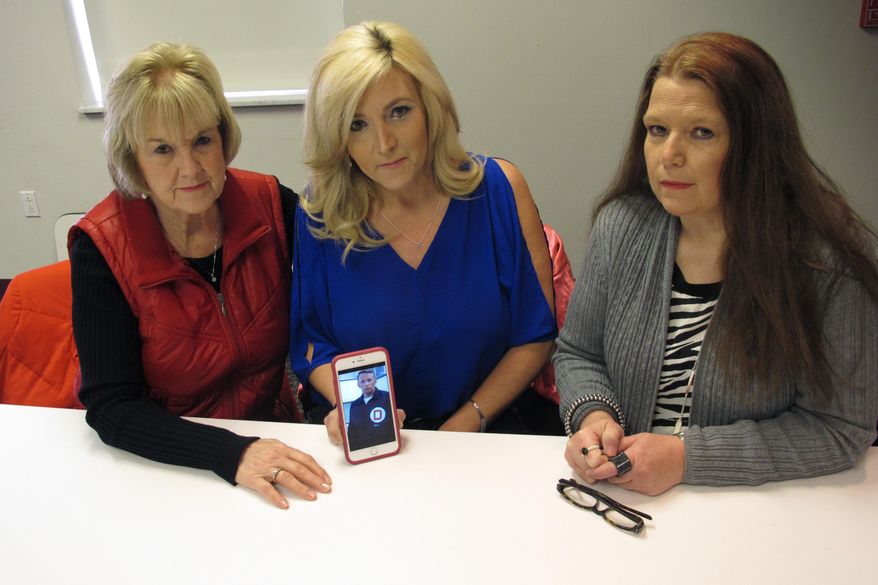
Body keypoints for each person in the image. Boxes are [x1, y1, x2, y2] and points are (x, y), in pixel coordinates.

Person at [556, 32, 878, 495]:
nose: (669, 156)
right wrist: (593, 415)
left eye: (701, 133)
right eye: (657, 130)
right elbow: (579, 353)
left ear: (756, 145)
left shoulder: (830, 260)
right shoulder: (621, 225)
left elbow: (839, 426)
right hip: (622, 498)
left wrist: (690, 459)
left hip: (760, 511)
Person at [69, 42, 331, 509]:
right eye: (163, 149)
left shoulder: (271, 204)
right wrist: (232, 453)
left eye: (202, 141)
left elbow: (336, 306)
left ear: (223, 137)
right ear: (133, 158)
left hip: (276, 437)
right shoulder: (101, 247)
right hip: (166, 461)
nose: (189, 168)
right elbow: (111, 408)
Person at [292, 21, 558, 442]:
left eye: (399, 112)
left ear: (430, 107)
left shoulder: (500, 189)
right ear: (337, 136)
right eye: (357, 124)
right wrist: (352, 406)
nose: (384, 143)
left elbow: (535, 336)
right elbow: (314, 345)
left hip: (488, 428)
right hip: (373, 437)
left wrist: (461, 429)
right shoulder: (322, 212)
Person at [346, 369, 396, 450]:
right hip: (361, 450)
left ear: (375, 381)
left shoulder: (387, 397)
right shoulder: (354, 404)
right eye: (363, 381)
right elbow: (352, 430)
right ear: (358, 384)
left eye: (369, 380)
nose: (366, 384)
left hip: (386, 447)